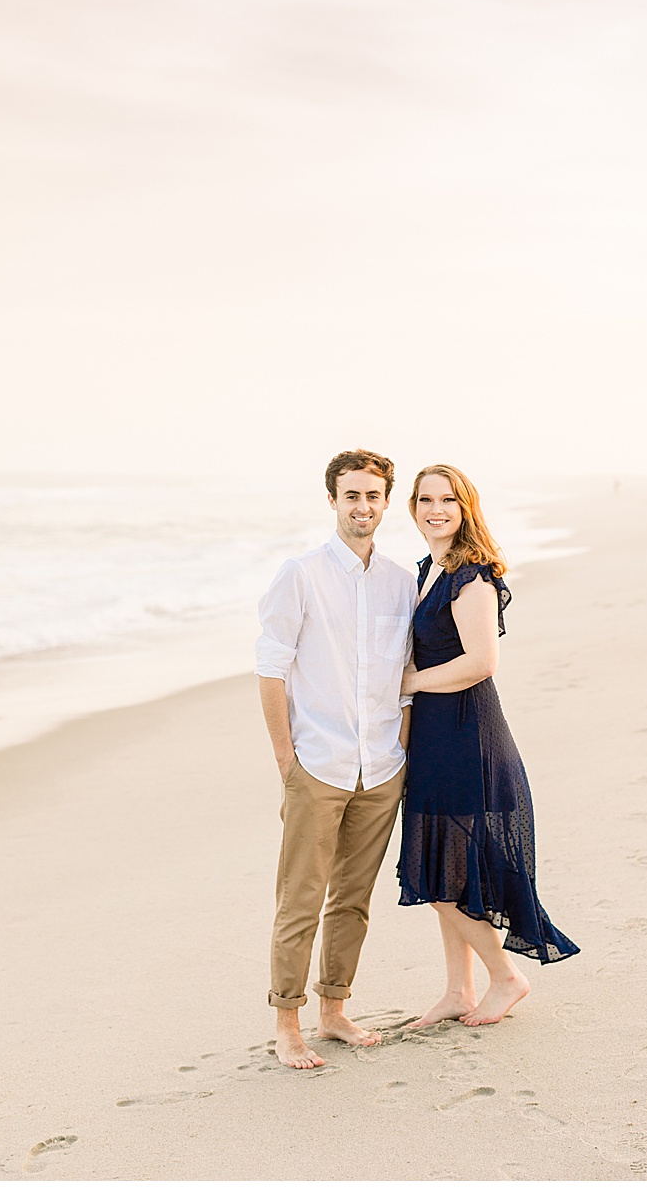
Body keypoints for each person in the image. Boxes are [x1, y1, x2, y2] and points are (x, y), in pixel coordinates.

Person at [397, 463, 579, 1028]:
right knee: (444, 869)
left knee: (438, 873)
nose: (436, 509)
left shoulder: (470, 576)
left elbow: (481, 662)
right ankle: (458, 989)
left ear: (466, 507)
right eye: (426, 499)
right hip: (433, 732)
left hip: (464, 733)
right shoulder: (429, 568)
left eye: (448, 500)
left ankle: (506, 977)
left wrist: (410, 682)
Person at [256, 449, 416, 1070]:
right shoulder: (299, 575)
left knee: (353, 899)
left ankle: (334, 1010)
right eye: (352, 496)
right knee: (301, 898)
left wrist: (400, 742)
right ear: (332, 501)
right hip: (317, 764)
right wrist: (285, 761)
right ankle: (287, 1021)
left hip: (380, 765)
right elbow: (271, 668)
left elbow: (403, 674)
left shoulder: (403, 582)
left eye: (373, 496)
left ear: (385, 502)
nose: (363, 507)